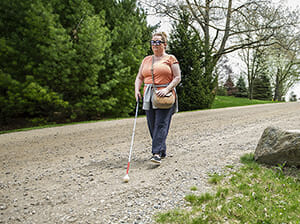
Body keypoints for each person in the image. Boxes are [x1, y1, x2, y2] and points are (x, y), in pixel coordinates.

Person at [135, 32, 181, 164]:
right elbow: (139, 77)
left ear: (164, 44)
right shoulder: (146, 60)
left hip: (165, 94)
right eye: (153, 42)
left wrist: (167, 89)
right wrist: (137, 90)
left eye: (158, 42)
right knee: (152, 124)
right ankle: (162, 150)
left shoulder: (171, 59)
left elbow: (177, 77)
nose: (154, 44)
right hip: (148, 94)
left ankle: (156, 153)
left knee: (161, 123)